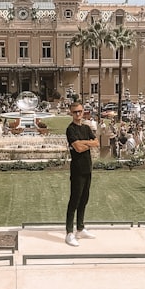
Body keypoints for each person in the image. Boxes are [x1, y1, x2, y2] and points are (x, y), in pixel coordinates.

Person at [65, 101, 97, 246]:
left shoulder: (86, 127)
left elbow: (96, 143)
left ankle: (80, 228)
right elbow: (77, 148)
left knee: (84, 199)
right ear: (71, 113)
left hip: (87, 168)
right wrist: (86, 143)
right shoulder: (70, 130)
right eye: (75, 112)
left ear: (83, 111)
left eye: (80, 111)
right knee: (74, 201)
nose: (78, 114)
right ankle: (69, 232)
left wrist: (84, 143)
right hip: (77, 169)